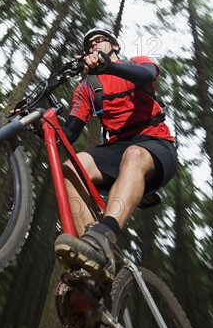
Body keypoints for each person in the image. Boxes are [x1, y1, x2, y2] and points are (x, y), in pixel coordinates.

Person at [54, 27, 178, 281]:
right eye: (89, 45)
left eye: (99, 41)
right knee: (71, 167)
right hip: (117, 148)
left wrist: (108, 66)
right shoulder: (87, 87)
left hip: (155, 141)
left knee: (133, 154)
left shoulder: (135, 63)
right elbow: (70, 133)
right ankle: (92, 251)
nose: (93, 46)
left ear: (115, 47)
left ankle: (105, 236)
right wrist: (44, 126)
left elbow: (148, 73)